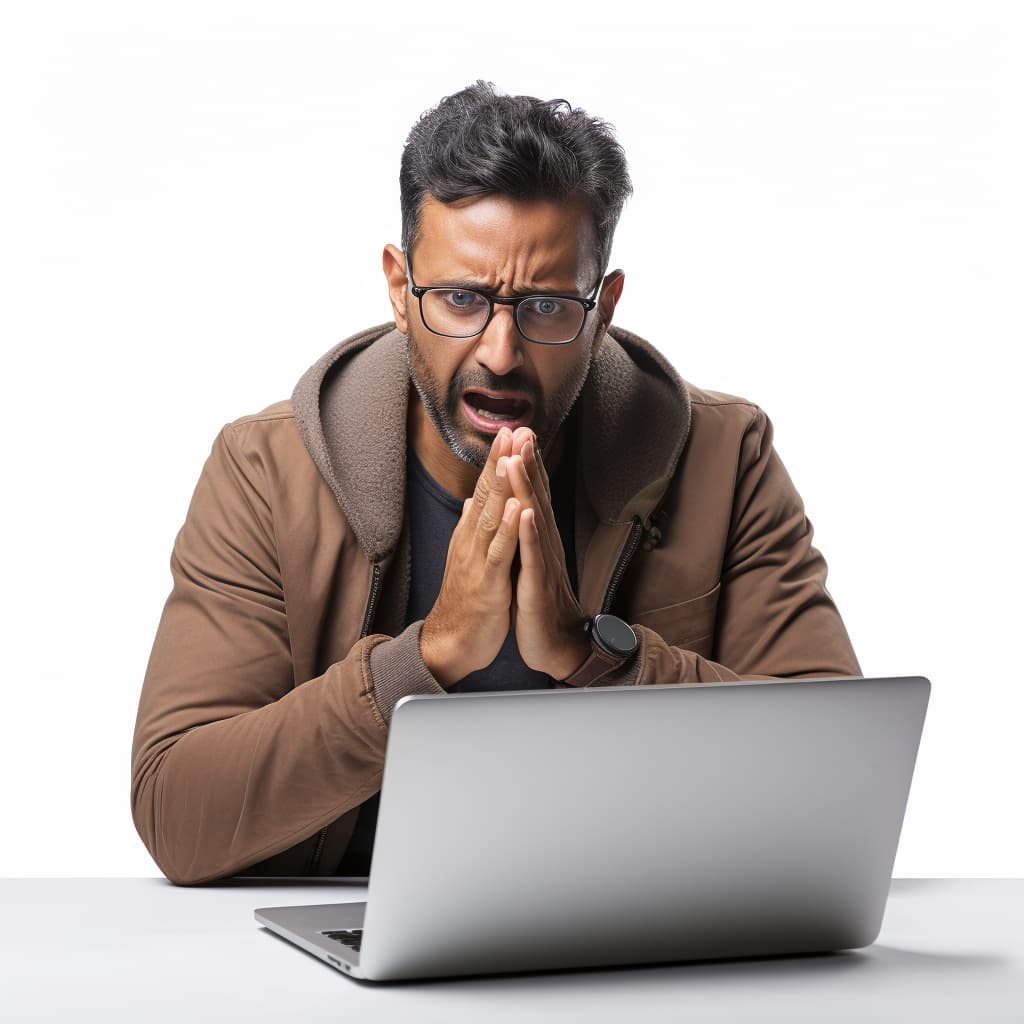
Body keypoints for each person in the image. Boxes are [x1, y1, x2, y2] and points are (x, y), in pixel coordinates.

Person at [131, 81, 862, 886]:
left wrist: (595, 661)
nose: (501, 353)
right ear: (397, 287)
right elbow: (177, 813)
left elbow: (843, 778)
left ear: (604, 305)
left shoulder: (724, 456)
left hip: (637, 937)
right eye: (460, 299)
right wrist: (429, 658)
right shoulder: (269, 469)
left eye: (547, 305)